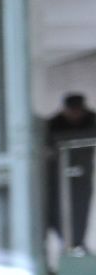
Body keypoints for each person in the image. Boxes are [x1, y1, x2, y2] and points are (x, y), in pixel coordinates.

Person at [46, 93, 94, 254]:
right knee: (58, 211)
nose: (75, 115)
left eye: (78, 111)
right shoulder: (54, 123)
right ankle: (67, 243)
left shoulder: (91, 120)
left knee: (80, 210)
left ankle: (77, 244)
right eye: (72, 111)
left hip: (82, 175)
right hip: (57, 177)